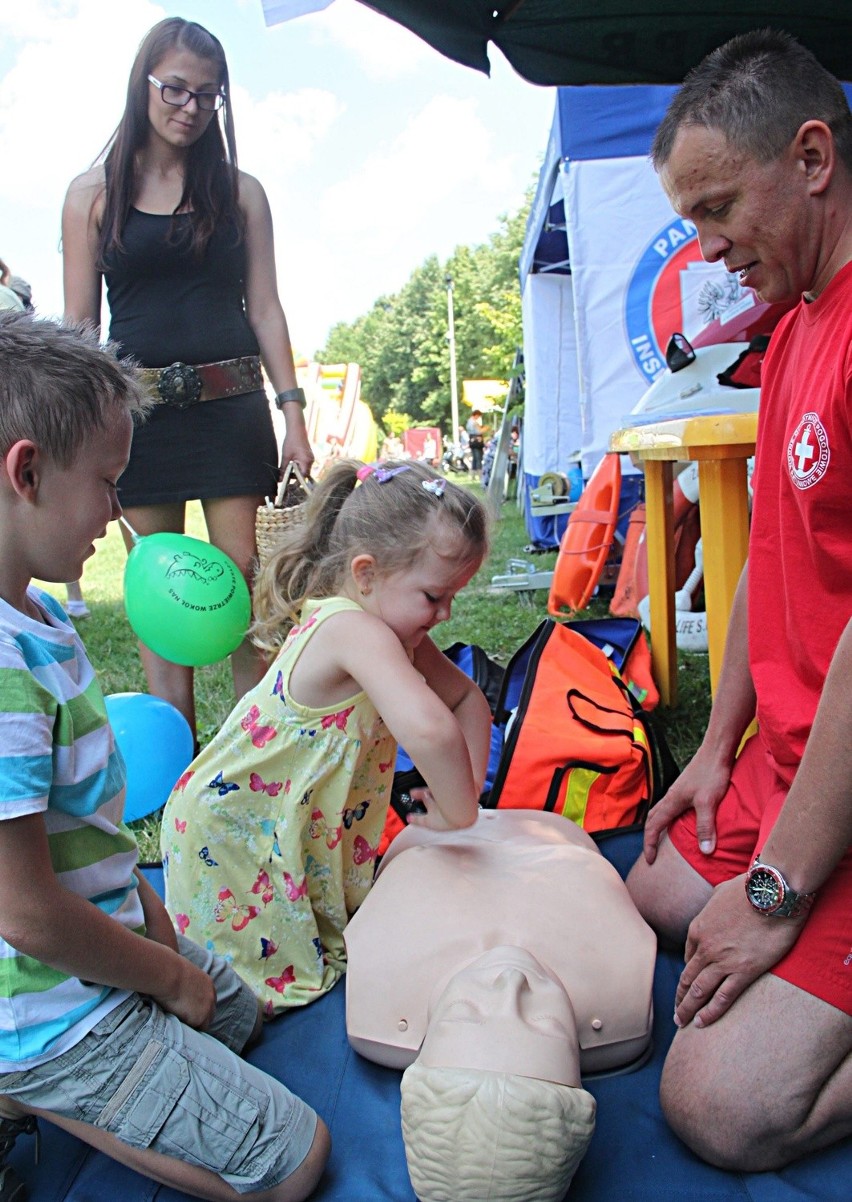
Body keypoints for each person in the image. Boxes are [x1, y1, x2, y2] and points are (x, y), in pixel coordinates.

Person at [0, 314, 328, 1202]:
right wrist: (169, 975)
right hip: (39, 1007)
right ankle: (24, 1090)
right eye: (107, 484)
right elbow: (26, 917)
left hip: (90, 939)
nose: (116, 514)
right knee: (292, 1162)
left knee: (238, 1014)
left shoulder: (41, 620)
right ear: (25, 472)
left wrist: (156, 936)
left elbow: (87, 839)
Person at [625, 29, 852, 1171]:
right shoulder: (803, 316)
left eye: (717, 210)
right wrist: (719, 746)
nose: (708, 250)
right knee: (653, 877)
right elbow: (770, 551)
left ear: (812, 156)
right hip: (801, 758)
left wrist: (774, 893)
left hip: (844, 784)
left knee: (714, 1104)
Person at [161, 459, 492, 1016]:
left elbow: (466, 702)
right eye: (434, 596)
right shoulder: (350, 628)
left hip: (274, 828)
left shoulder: (392, 632)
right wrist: (461, 815)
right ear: (366, 573)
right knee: (252, 1004)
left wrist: (465, 797)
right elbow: (432, 727)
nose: (446, 613)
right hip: (231, 834)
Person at [62, 17, 314, 742]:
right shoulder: (90, 196)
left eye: (208, 95)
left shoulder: (241, 193)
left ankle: (252, 762)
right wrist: (82, 441)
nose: (190, 106)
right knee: (162, 596)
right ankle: (180, 777)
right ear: (144, 84)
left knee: (241, 587)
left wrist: (292, 412)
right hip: (137, 420)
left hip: (232, 406)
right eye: (175, 88)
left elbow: (264, 306)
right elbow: (81, 327)